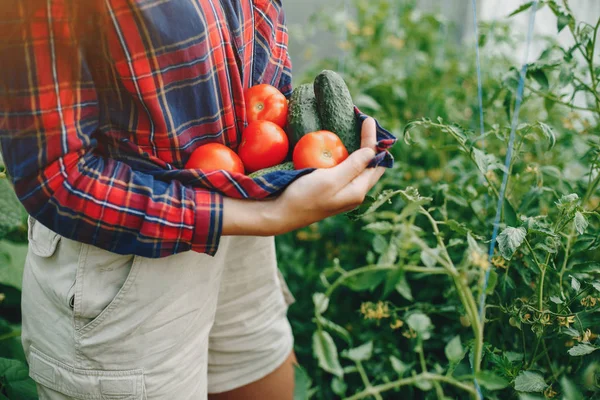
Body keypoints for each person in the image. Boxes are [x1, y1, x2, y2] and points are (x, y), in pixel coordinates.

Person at [0, 1, 385, 399]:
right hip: (125, 253)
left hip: (240, 202)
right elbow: (57, 175)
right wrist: (270, 215)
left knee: (263, 376)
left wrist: (284, 146)